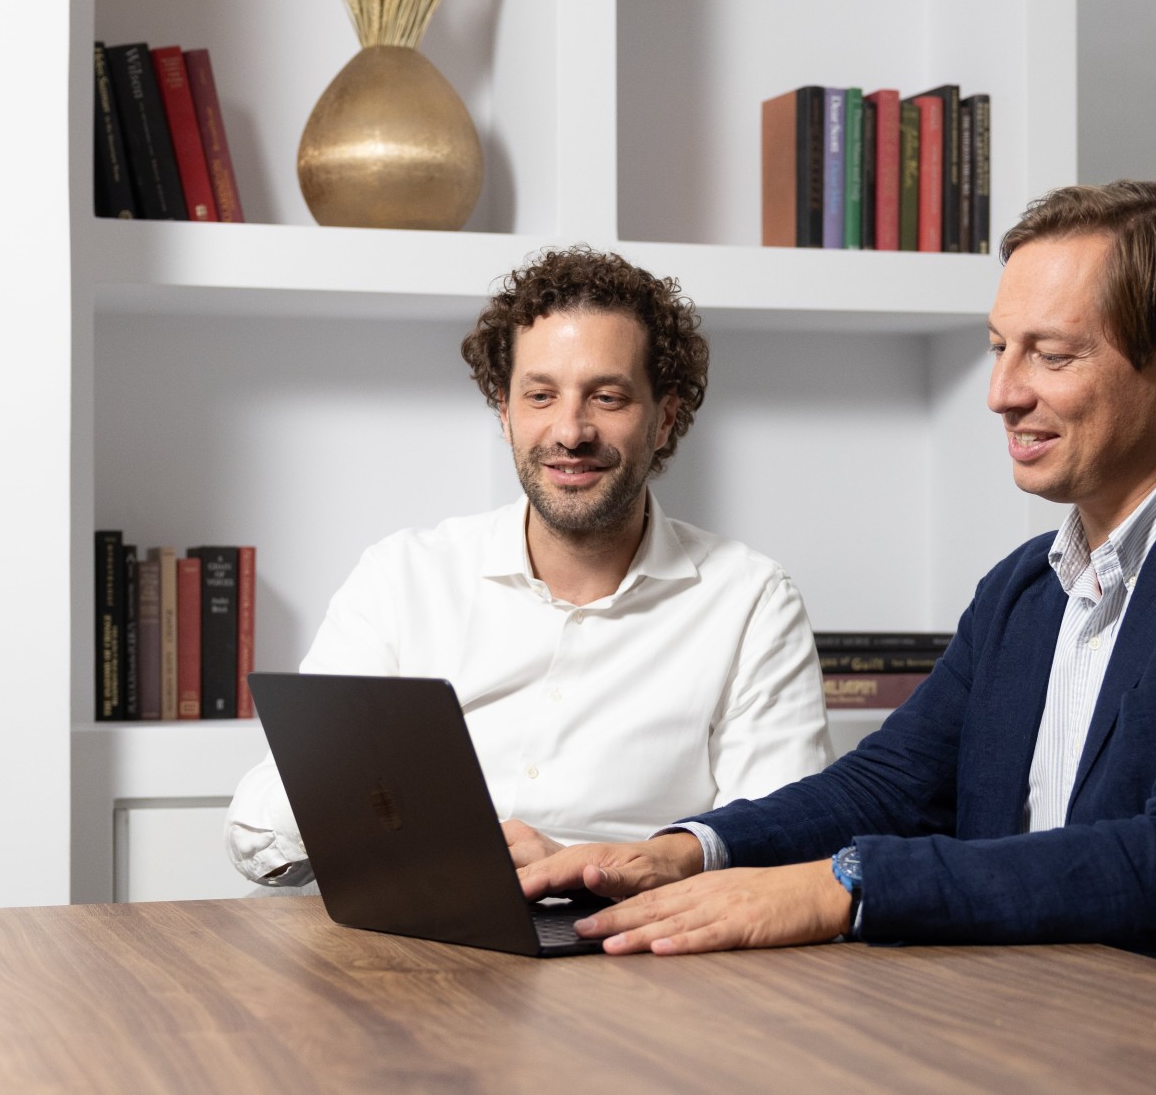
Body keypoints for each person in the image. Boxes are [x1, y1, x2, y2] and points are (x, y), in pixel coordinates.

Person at [519, 182, 1156, 1002]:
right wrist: (682, 853)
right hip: (1035, 1023)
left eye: (1051, 356)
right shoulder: (1025, 590)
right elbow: (889, 785)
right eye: (998, 349)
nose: (1001, 393)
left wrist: (845, 886)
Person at [227, 245, 832, 887]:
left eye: (607, 397)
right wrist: (404, 816)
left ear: (665, 419)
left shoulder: (751, 600)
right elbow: (256, 839)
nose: (570, 431)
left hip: (644, 958)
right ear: (504, 412)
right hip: (422, 945)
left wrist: (607, 868)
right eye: (540, 395)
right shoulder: (403, 578)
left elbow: (784, 847)